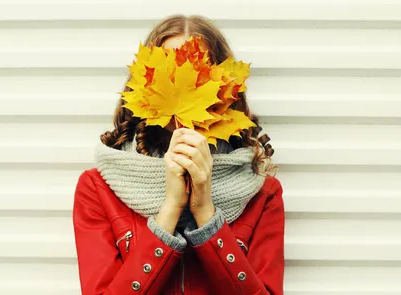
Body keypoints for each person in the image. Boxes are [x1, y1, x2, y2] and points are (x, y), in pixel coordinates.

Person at [73, 14, 284, 295]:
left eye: (200, 77)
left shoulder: (263, 194)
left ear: (227, 91)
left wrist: (205, 213)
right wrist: (170, 208)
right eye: (168, 75)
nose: (183, 90)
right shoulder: (98, 189)